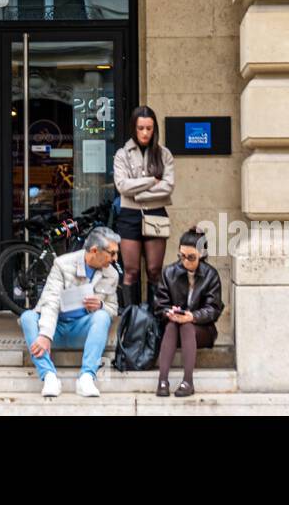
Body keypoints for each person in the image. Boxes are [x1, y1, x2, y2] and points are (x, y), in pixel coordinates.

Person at [19, 226, 121, 398]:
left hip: (81, 330)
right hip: (55, 330)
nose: (115, 258)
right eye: (112, 253)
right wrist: (45, 335)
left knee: (103, 317)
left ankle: (87, 377)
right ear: (95, 250)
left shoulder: (111, 274)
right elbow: (50, 301)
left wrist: (101, 305)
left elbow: (113, 309)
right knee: (27, 317)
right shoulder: (62, 264)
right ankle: (49, 376)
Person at [112, 106, 175, 304]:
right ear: (134, 128)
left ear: (154, 128)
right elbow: (122, 185)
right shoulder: (122, 154)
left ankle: (154, 323)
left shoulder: (164, 154)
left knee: (155, 271)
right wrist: (150, 181)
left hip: (156, 213)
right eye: (141, 128)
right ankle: (132, 321)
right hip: (129, 215)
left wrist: (138, 194)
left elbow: (168, 187)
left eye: (149, 128)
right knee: (131, 271)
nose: (145, 133)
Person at [151, 229, 223, 397]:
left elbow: (214, 309)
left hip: (202, 330)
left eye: (191, 257)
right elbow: (159, 304)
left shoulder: (210, 275)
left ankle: (188, 381)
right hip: (173, 330)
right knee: (172, 325)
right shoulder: (169, 272)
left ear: (202, 255)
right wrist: (169, 312)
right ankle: (163, 381)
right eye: (182, 256)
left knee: (186, 325)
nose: (185, 261)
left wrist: (193, 316)